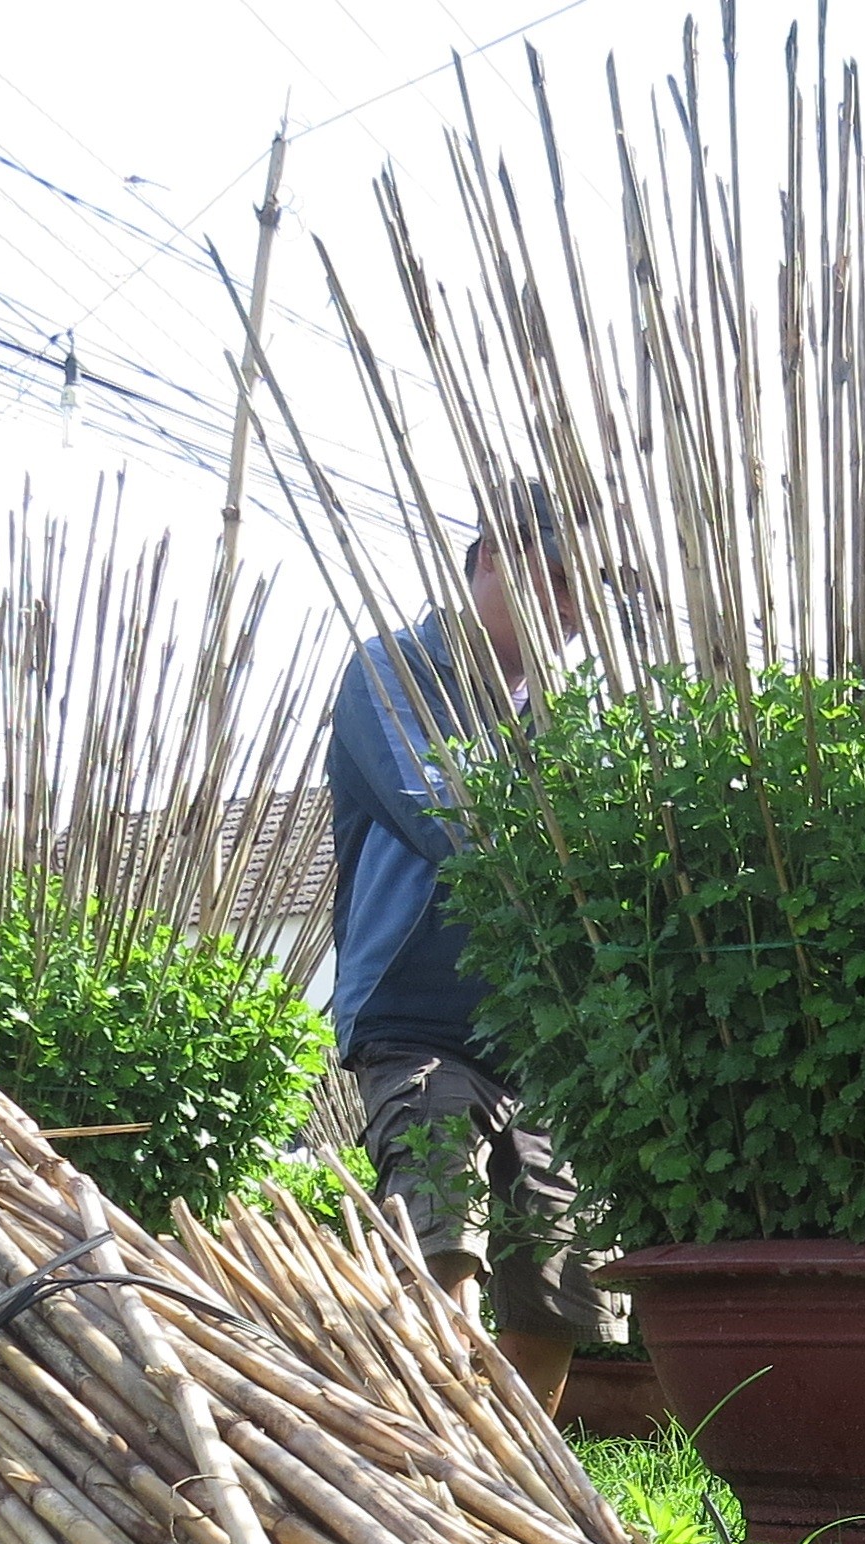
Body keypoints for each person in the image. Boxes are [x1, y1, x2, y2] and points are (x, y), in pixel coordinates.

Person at [326, 495, 605, 1408]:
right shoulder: (394, 675)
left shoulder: (571, 718)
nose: (570, 611)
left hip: (542, 1033)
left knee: (560, 1270)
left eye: (583, 591)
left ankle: (521, 1484)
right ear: (489, 560)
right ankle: (440, 1462)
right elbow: (443, 815)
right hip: (418, 1015)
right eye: (555, 582)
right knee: (441, 1224)